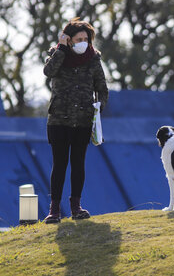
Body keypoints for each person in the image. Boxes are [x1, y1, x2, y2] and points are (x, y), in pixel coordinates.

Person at [43, 17, 108, 224]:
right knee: (59, 164)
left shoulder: (94, 59)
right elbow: (48, 72)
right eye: (78, 38)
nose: (82, 42)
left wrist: (98, 110)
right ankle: (54, 210)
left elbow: (102, 88)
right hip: (58, 120)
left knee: (78, 163)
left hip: (83, 120)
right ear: (68, 39)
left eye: (86, 39)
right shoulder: (57, 55)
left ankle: (76, 207)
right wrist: (61, 49)